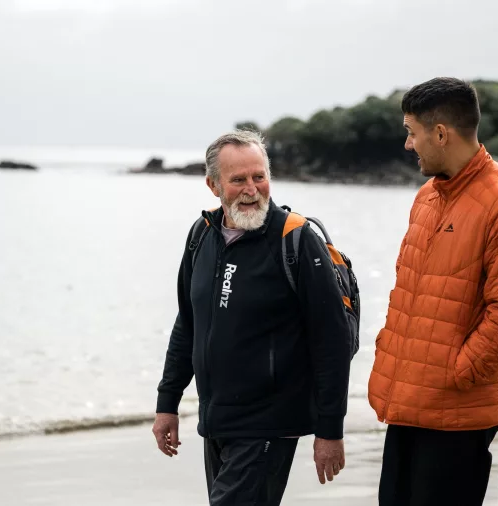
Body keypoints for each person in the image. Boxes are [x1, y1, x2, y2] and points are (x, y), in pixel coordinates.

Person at [151, 130, 353, 506]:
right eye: (238, 179)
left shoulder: (295, 238)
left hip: (269, 423)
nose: (251, 189)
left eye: (259, 176)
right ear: (213, 185)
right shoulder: (201, 234)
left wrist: (330, 430)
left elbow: (333, 341)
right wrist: (167, 403)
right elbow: (187, 325)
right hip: (216, 420)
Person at [368, 77, 498, 506]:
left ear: (441, 133)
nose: (408, 144)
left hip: (458, 410)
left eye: (412, 132)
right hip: (410, 401)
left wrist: (455, 372)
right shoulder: (427, 196)